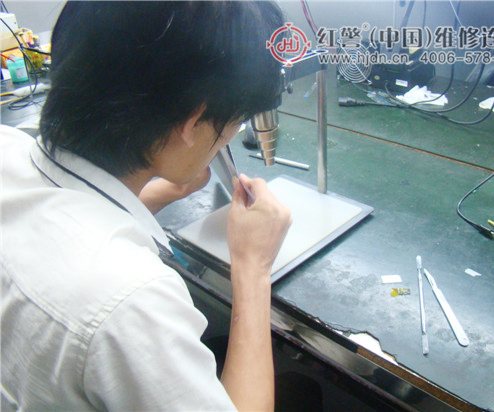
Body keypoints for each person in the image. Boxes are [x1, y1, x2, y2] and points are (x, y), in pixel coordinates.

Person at [1, 2, 292, 411]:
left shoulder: (7, 146)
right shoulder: (131, 303)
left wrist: (159, 189)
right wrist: (253, 268)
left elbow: (63, 218)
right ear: (193, 123)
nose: (228, 136)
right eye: (234, 121)